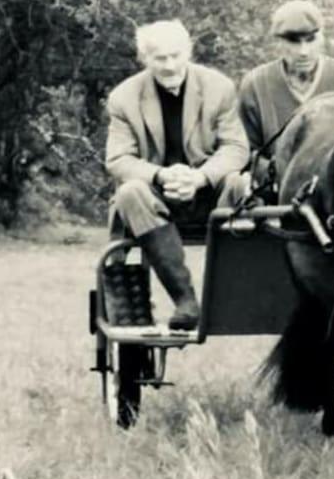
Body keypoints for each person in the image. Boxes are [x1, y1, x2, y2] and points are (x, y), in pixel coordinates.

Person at [105, 20, 249, 330]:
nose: (169, 66)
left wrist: (199, 178)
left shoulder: (219, 87)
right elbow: (118, 158)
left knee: (239, 181)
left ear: (189, 52)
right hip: (156, 200)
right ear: (144, 59)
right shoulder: (123, 98)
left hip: (210, 195)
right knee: (129, 191)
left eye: (176, 55)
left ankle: (228, 294)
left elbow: (236, 148)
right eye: (160, 58)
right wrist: (161, 176)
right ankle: (186, 301)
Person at [237, 0, 334, 198]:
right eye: (294, 42)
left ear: (322, 38)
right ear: (278, 43)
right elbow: (245, 151)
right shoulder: (255, 84)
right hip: (275, 195)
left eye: (311, 40)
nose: (303, 51)